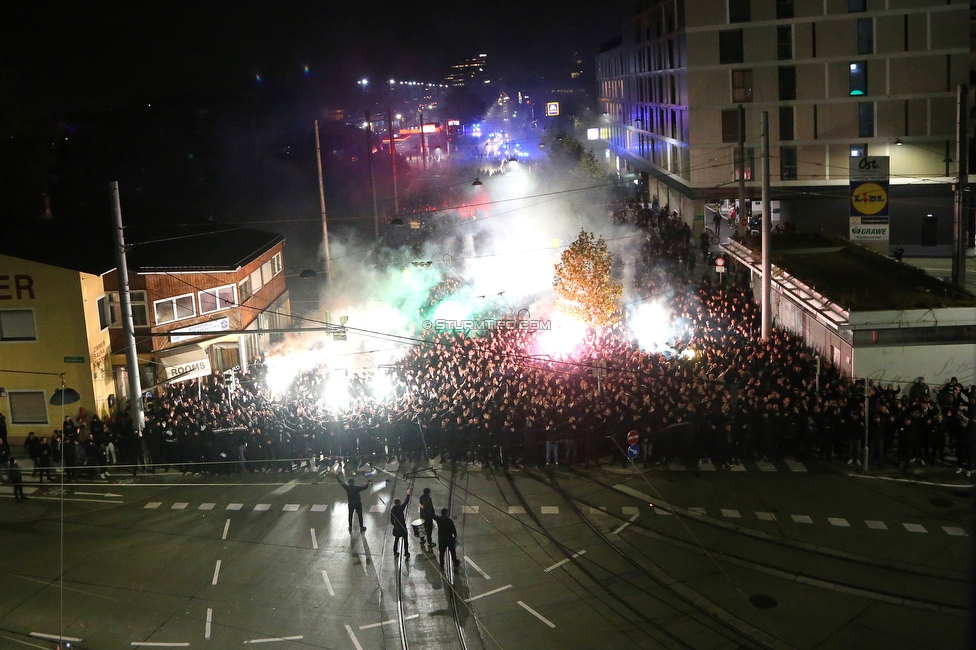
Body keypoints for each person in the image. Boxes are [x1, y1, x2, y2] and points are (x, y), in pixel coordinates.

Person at [390, 488, 412, 558]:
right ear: (399, 502)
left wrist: (395, 525)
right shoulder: (400, 508)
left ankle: (395, 552)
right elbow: (406, 502)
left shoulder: (393, 509)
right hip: (402, 526)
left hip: (397, 527)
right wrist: (408, 494)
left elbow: (391, 519)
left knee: (396, 540)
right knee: (405, 540)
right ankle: (406, 552)